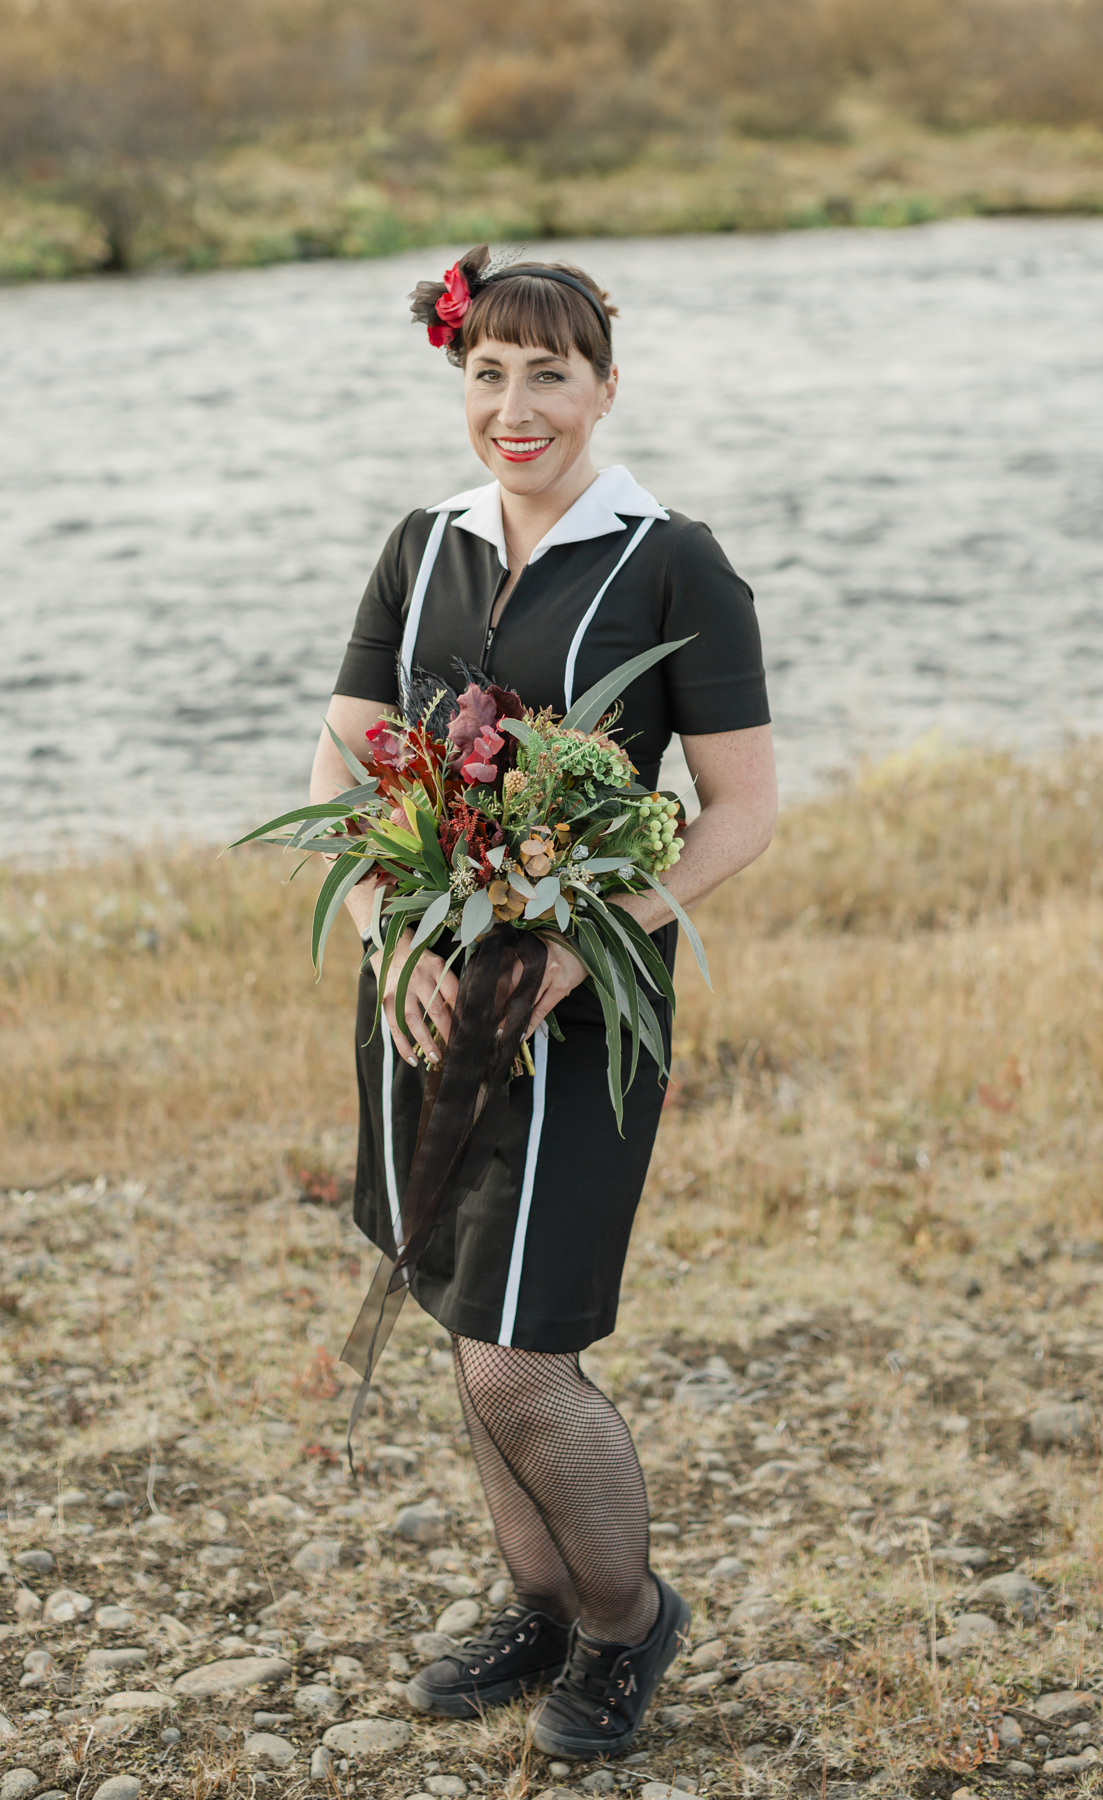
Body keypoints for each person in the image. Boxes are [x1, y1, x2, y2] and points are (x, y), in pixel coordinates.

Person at [310, 246, 777, 1760]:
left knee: (522, 1351)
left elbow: (742, 810)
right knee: (465, 1317)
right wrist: (384, 938)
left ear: (605, 388)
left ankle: (627, 1621)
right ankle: (541, 1602)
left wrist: (590, 943)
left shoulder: (673, 561)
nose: (516, 408)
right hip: (422, 994)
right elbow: (346, 759)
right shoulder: (420, 546)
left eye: (549, 375)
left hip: (582, 1008)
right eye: (488, 374)